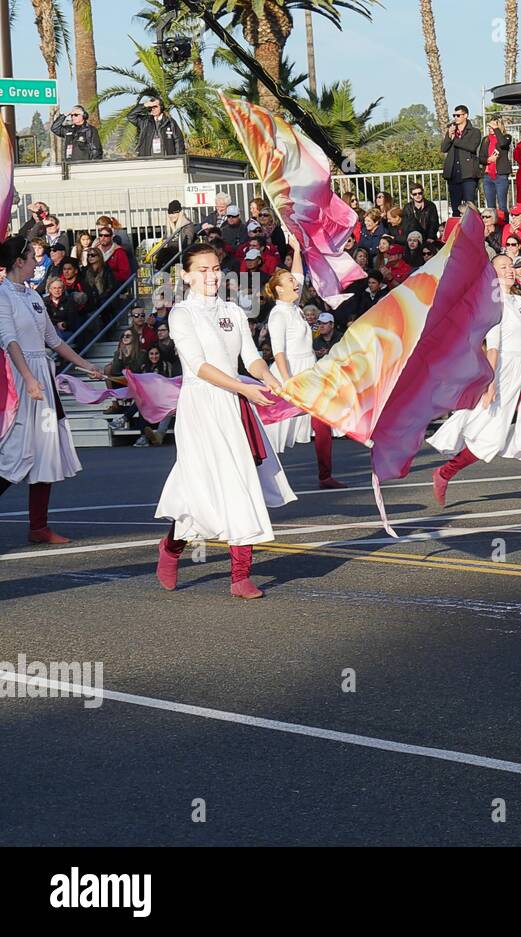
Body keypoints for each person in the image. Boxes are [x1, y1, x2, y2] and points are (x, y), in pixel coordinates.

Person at [154, 242, 296, 599]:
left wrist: (270, 379)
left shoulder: (232, 310)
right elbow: (200, 366)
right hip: (202, 404)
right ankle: (171, 547)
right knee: (198, 488)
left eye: (215, 268)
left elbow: (251, 357)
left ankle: (240, 575)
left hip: (234, 402)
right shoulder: (182, 313)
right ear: (185, 275)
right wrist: (244, 389)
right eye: (202, 270)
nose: (211, 275)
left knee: (241, 481)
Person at [429, 254, 521, 508]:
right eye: (504, 267)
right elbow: (493, 346)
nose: (510, 270)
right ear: (493, 274)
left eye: (511, 265)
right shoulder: (492, 301)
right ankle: (445, 472)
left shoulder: (519, 299)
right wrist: (489, 383)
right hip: (503, 370)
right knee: (490, 434)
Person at [0, 236, 104, 544]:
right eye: (31, 256)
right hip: (20, 381)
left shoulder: (32, 296)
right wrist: (29, 378)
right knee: (14, 453)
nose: (36, 261)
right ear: (19, 261)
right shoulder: (2, 295)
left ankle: (39, 527)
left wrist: (87, 365)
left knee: (46, 450)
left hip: (41, 378)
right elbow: (9, 341)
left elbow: (54, 341)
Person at [265, 238, 345, 489]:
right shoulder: (278, 314)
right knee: (271, 429)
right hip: (289, 372)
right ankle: (256, 474)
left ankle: (325, 475)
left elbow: (298, 274)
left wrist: (297, 249)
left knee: (321, 422)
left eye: (293, 280)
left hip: (308, 370)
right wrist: (287, 382)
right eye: (289, 281)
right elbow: (278, 351)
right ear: (279, 289)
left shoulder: (294, 306)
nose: (295, 282)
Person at [441, 105, 483, 216]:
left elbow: (471, 147)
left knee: (470, 206)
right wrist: (449, 136)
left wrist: (455, 139)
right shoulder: (452, 131)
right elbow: (444, 148)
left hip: (468, 174)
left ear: (465, 116)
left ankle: (472, 229)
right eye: (454, 115)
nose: (456, 118)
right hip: (454, 174)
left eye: (458, 115)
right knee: (455, 207)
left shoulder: (474, 132)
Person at [128, 92, 186, 157]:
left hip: (167, 161)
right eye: (151, 107)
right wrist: (145, 105)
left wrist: (178, 159)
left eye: (155, 106)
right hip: (148, 161)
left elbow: (178, 141)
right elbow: (131, 116)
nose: (153, 109)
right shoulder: (145, 121)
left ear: (161, 107)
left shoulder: (170, 122)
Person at [479, 116, 514, 217]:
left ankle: (504, 226)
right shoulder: (485, 140)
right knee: (490, 207)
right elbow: (480, 157)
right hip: (487, 175)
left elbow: (503, 143)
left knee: (502, 205)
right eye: (490, 126)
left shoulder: (506, 137)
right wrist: (488, 160)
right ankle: (492, 228)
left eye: (494, 126)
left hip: (501, 175)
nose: (491, 128)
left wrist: (496, 129)